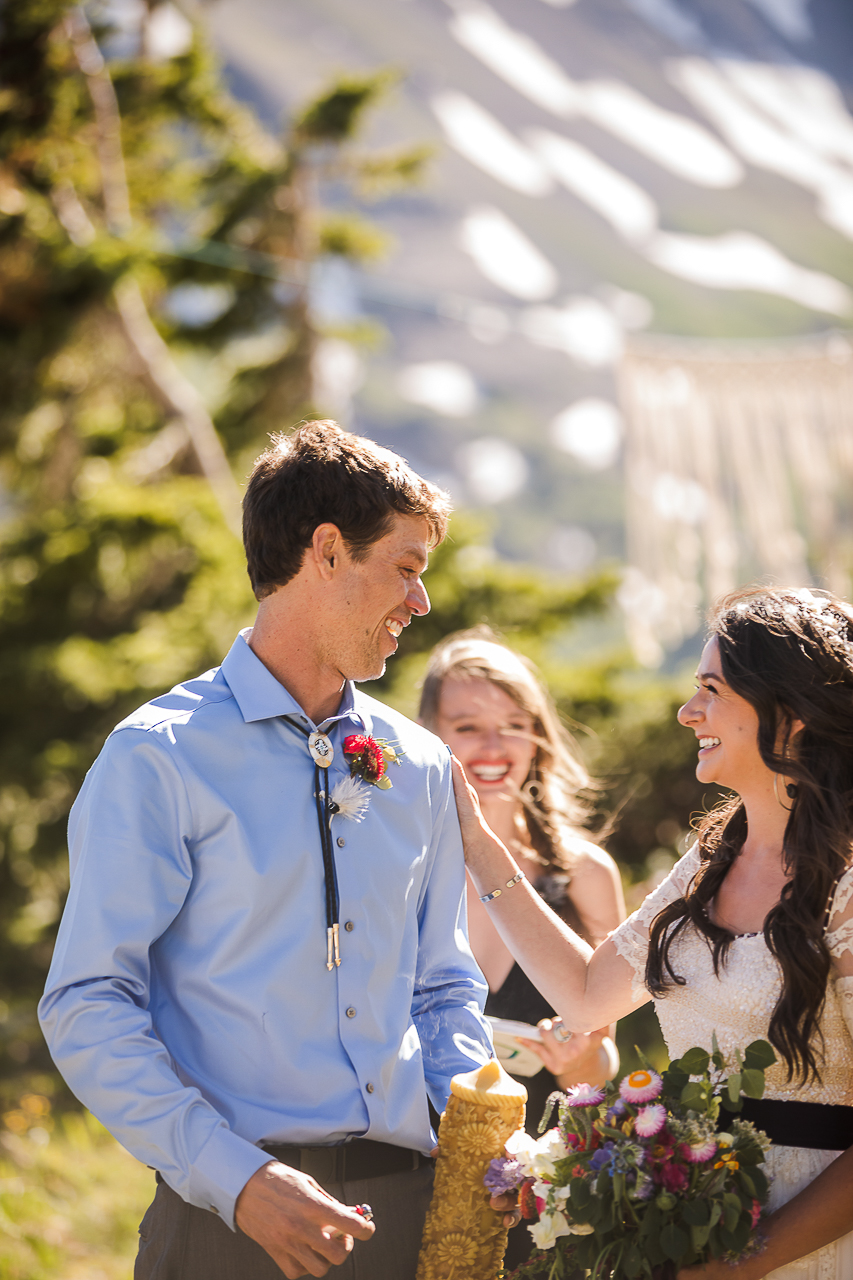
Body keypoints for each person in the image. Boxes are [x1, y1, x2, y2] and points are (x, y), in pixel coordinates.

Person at [38, 420, 494, 1280]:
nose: (420, 601)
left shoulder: (423, 765)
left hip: (410, 1225)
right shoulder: (158, 756)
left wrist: (477, 1151)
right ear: (327, 551)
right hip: (226, 1229)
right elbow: (87, 1002)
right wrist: (236, 1179)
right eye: (405, 568)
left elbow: (442, 987)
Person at [453, 587, 853, 1280]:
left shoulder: (847, 885)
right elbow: (582, 996)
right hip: (695, 1240)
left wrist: (738, 1268)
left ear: (788, 715)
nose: (685, 711)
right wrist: (476, 841)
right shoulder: (705, 863)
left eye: (710, 690)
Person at [419, 628, 625, 1270]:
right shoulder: (397, 866)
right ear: (429, 733)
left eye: (513, 724)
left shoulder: (587, 875)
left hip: (539, 1194)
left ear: (538, 734)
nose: (493, 746)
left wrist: (576, 1058)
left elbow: (599, 1069)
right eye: (468, 725)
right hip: (407, 1174)